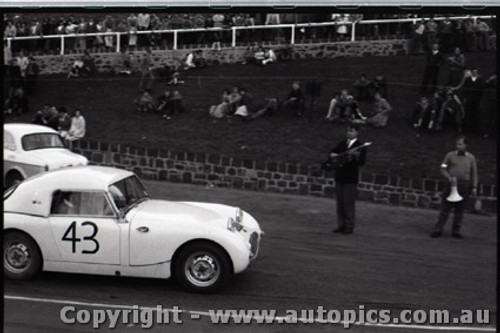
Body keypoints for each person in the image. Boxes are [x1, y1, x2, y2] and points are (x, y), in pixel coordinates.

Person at [430, 135, 478, 239]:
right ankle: (438, 230)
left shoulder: (471, 158)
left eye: (460, 144)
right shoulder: (449, 155)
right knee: (445, 209)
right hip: (450, 185)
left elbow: (474, 173)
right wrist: (448, 177)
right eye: (457, 144)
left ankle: (456, 231)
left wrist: (474, 187)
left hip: (463, 186)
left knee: (459, 210)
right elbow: (443, 168)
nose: (458, 146)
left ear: (465, 145)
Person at [328, 123, 367, 235]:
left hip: (350, 179)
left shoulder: (360, 146)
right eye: (348, 130)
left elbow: (361, 162)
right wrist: (332, 155)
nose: (349, 133)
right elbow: (333, 151)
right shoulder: (342, 143)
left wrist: (355, 156)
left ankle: (349, 225)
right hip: (340, 176)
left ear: (357, 132)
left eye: (352, 131)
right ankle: (341, 225)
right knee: (340, 203)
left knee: (348, 203)